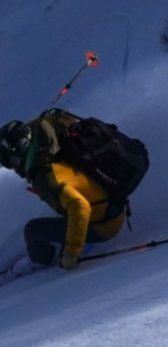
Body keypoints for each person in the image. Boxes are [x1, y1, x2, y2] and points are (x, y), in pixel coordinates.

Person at [0, 114, 127, 272]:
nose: (12, 168)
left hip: (104, 225)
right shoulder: (51, 142)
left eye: (8, 163)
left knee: (32, 231)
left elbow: (80, 207)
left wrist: (71, 254)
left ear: (16, 156)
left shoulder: (45, 176)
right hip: (114, 205)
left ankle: (39, 263)